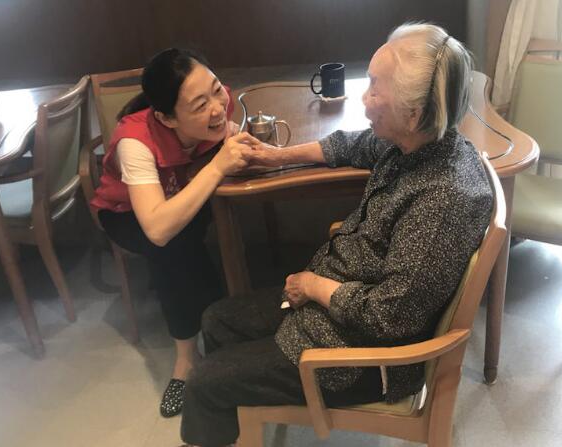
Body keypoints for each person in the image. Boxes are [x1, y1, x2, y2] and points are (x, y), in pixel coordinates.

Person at [179, 22, 494, 447]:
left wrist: (312, 285)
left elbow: (390, 317)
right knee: (216, 320)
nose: (364, 98)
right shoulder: (417, 142)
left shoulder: (443, 199)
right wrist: (275, 157)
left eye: (375, 88)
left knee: (204, 384)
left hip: (362, 359)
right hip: (339, 308)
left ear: (413, 113)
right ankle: (238, 425)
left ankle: (226, 409)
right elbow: (352, 145)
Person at [90, 48, 260, 418]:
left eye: (216, 90)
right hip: (126, 215)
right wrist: (217, 167)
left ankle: (223, 326)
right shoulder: (135, 141)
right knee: (171, 246)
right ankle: (188, 359)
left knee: (194, 230)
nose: (217, 107)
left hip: (179, 196)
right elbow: (156, 227)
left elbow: (224, 130)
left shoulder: (217, 105)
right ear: (166, 118)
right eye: (200, 105)